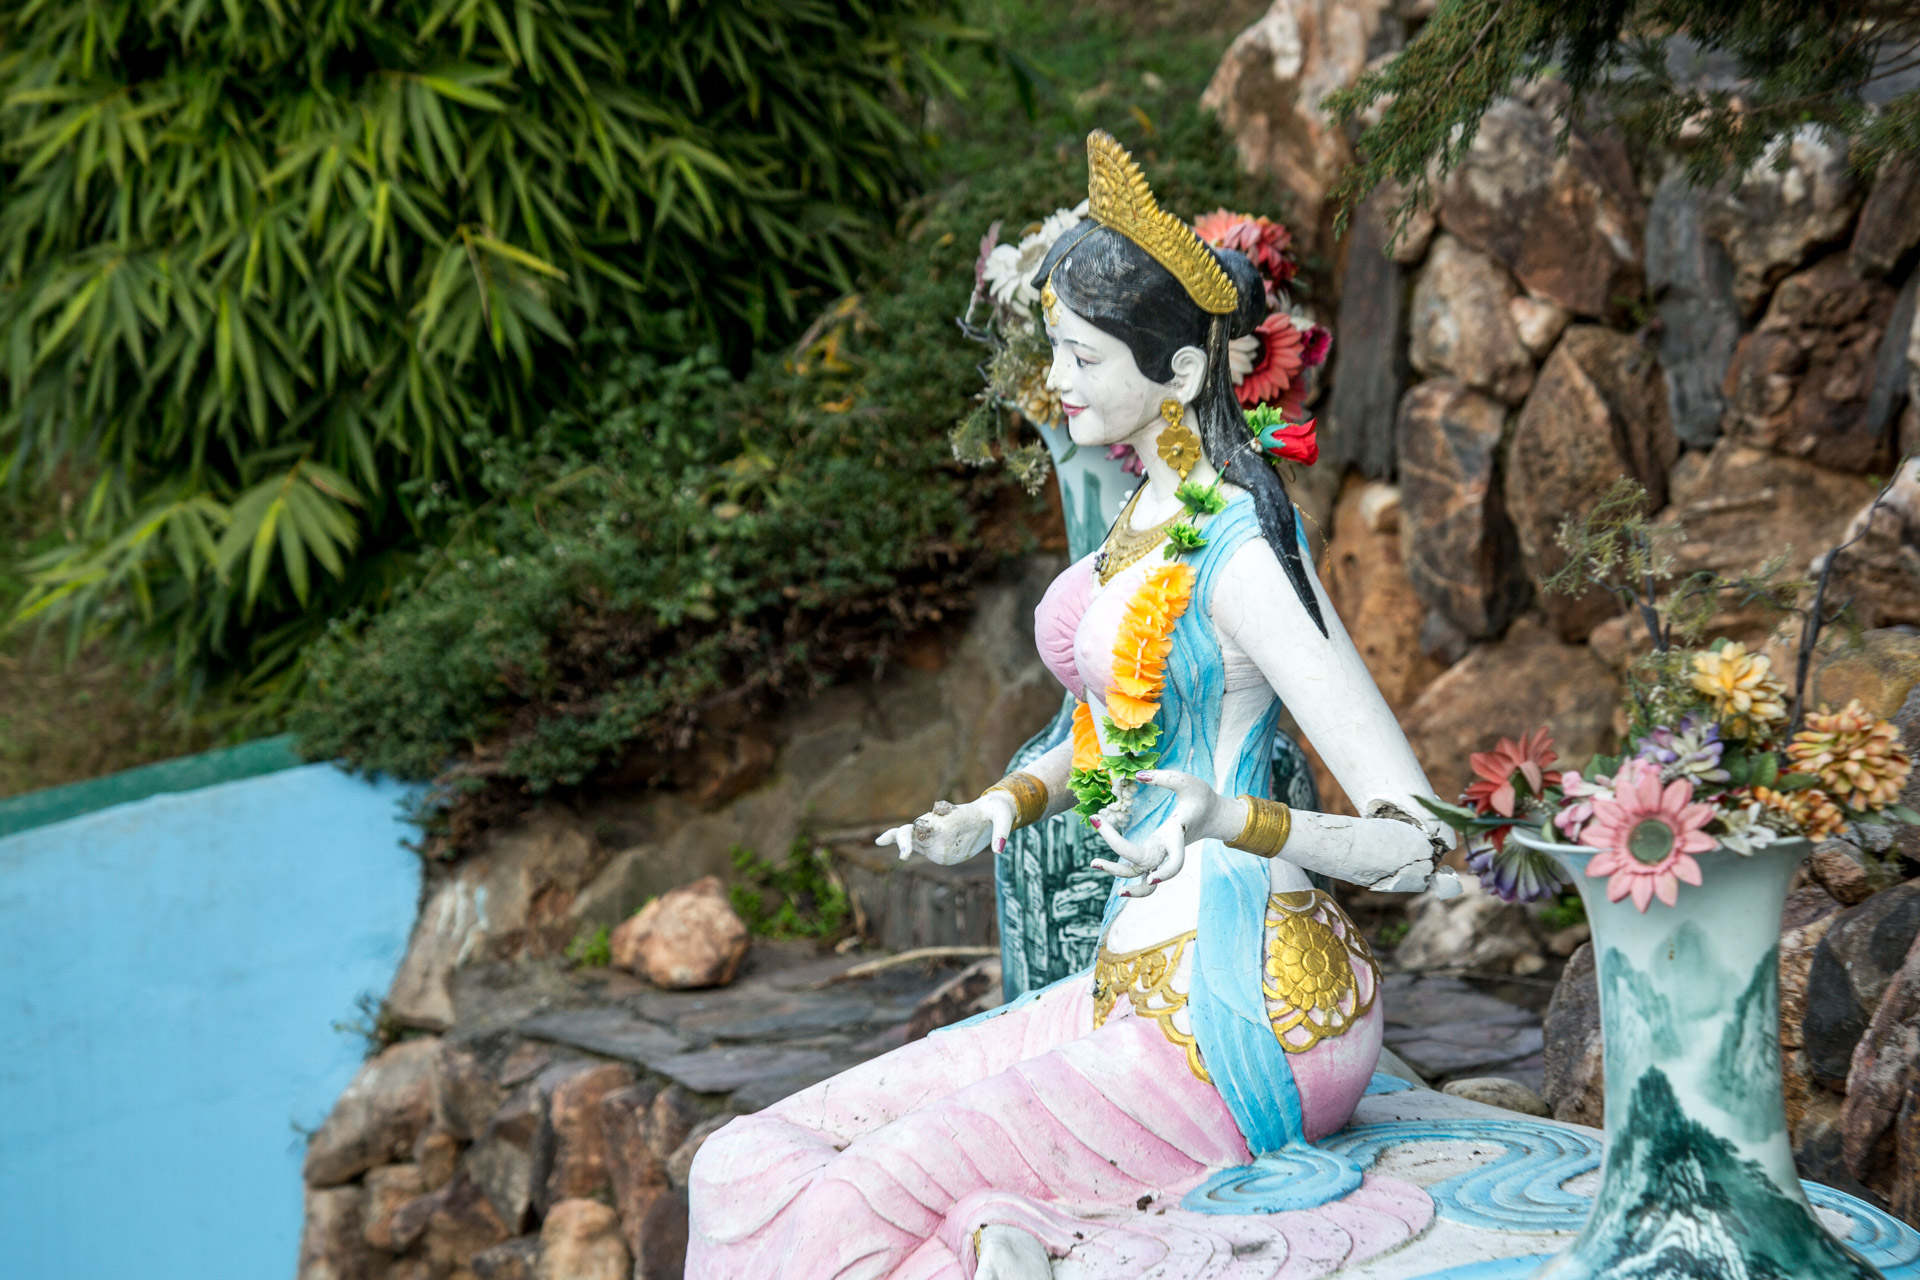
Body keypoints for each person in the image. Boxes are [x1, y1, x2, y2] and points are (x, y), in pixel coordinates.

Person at [688, 131, 1457, 1280]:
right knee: (741, 1159)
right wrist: (995, 808)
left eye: (1083, 355)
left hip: (1248, 1012)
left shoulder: (1244, 551)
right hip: (1125, 987)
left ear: (1182, 374)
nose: (1055, 380)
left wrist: (1228, 816)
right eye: (1055, 347)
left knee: (849, 1207)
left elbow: (1421, 840)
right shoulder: (1142, 523)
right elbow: (1099, 730)